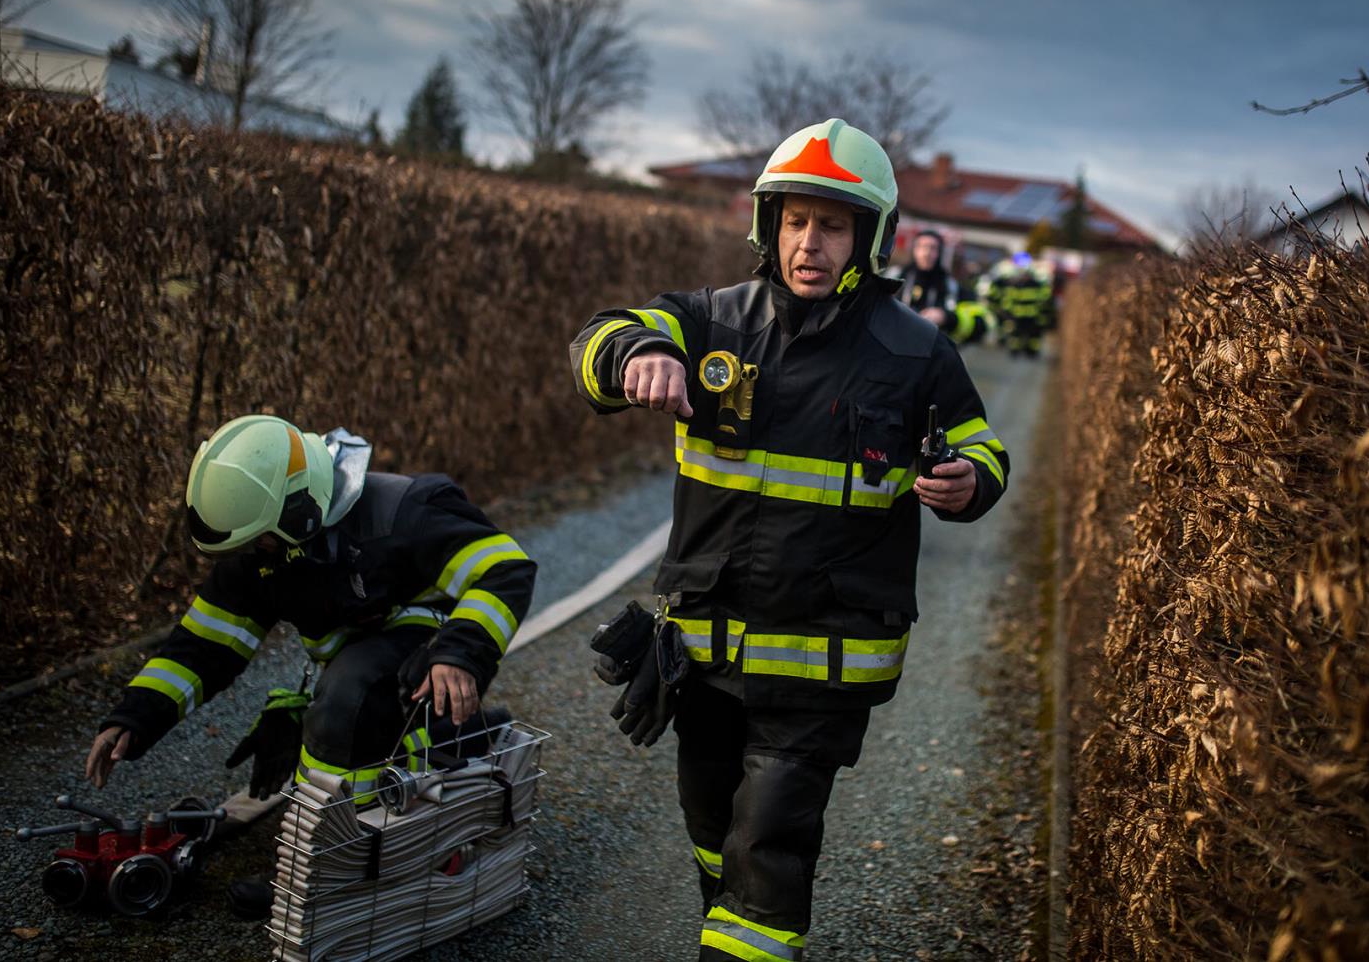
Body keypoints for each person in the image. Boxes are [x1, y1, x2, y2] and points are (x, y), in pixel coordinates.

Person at [569, 118, 1009, 961]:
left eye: (833, 225)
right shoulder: (707, 321)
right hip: (704, 659)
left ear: (869, 238)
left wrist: (969, 480)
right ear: (769, 225)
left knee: (767, 849)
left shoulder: (915, 353)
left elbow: (981, 443)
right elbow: (597, 336)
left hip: (823, 667)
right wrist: (639, 353)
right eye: (795, 220)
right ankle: (727, 920)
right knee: (714, 835)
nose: (810, 243)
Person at [84, 414, 536, 916]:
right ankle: (455, 748)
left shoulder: (404, 513)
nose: (253, 554)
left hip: (435, 652)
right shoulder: (263, 548)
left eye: (260, 542)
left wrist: (460, 652)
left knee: (349, 701)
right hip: (371, 673)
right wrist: (134, 716)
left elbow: (504, 569)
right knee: (341, 708)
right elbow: (204, 646)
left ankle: (330, 870)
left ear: (300, 511)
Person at [889, 229, 958, 329]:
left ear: (939, 253)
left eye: (933, 248)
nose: (926, 253)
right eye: (922, 247)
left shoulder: (948, 283)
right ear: (914, 250)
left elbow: (954, 310)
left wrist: (944, 316)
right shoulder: (897, 274)